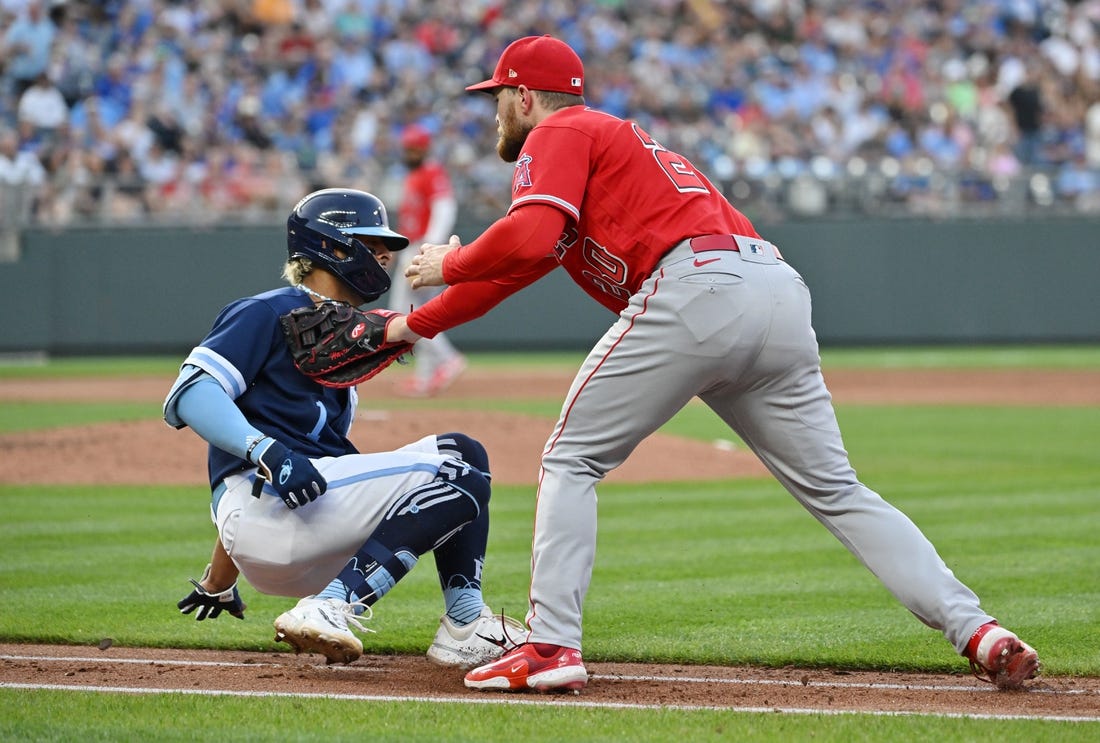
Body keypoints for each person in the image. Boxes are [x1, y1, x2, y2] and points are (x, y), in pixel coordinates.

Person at [387, 35, 1041, 692]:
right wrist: (411, 326)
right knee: (839, 492)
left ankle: (553, 644)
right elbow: (515, 268)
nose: (495, 109)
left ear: (525, 96)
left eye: (498, 95)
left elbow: (520, 239)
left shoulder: (559, 132)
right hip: (773, 290)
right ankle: (978, 628)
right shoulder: (605, 146)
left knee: (570, 458)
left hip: (697, 286)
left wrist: (452, 261)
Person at [164, 187, 524, 668]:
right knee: (457, 472)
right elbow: (191, 394)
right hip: (267, 517)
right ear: (329, 245)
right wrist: (264, 449)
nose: (384, 256)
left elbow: (276, 470)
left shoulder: (340, 340)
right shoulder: (266, 311)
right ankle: (332, 607)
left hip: (296, 528)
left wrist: (220, 581)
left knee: (466, 455)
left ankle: (463, 621)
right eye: (372, 243)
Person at [388, 123, 467, 397]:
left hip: (423, 248)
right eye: (407, 148)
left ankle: (447, 359)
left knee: (405, 312)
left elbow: (445, 208)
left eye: (414, 148)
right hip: (414, 245)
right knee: (420, 312)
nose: (409, 153)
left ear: (424, 148)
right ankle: (425, 377)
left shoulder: (431, 172)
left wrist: (430, 246)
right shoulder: (415, 174)